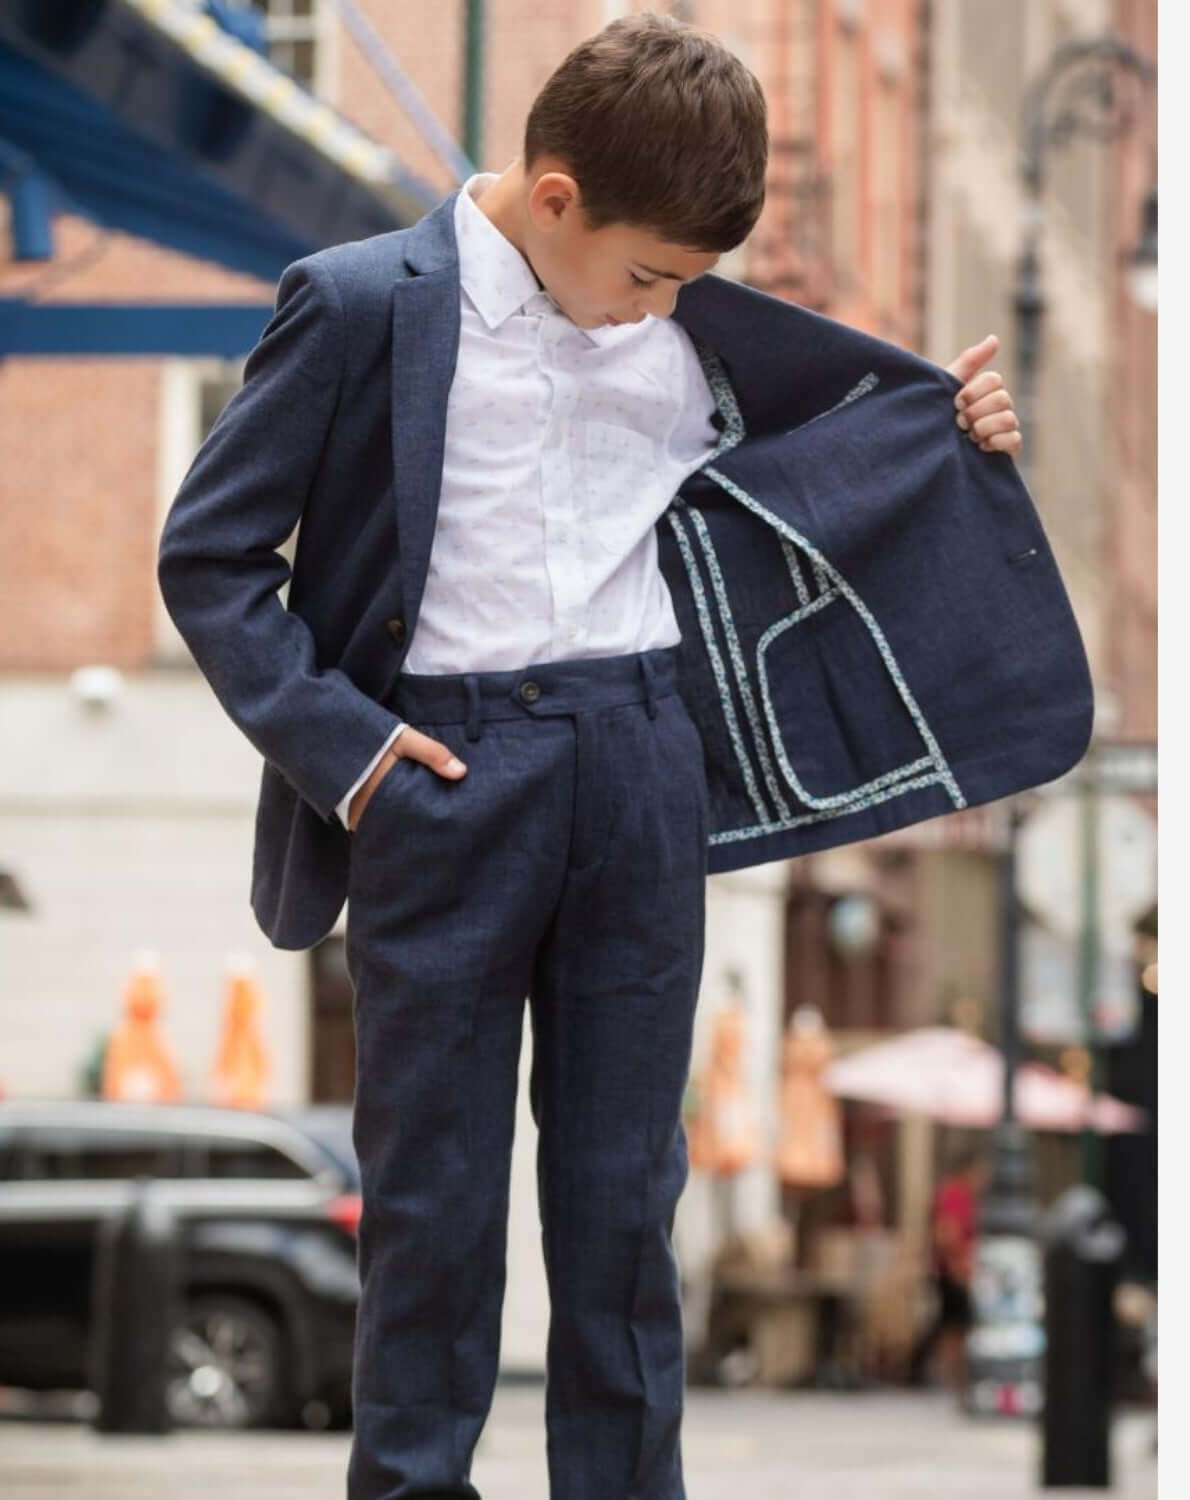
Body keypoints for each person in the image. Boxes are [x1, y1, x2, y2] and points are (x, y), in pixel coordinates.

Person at [157, 13, 1089, 1497]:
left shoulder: (690, 327)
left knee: (619, 1215)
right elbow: (209, 558)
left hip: (644, 765)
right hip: (442, 782)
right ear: (554, 199)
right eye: (648, 274)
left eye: (686, 286)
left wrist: (967, 417)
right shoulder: (355, 308)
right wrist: (354, 755)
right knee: (433, 1209)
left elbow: (872, 447)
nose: (658, 307)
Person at [907, 1146, 991, 1394]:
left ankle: (940, 1371)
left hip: (953, 1268)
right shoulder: (955, 1194)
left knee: (948, 1322)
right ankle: (950, 1374)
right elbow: (947, 1232)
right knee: (953, 1324)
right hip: (951, 1270)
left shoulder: (960, 1194)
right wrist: (957, 1265)